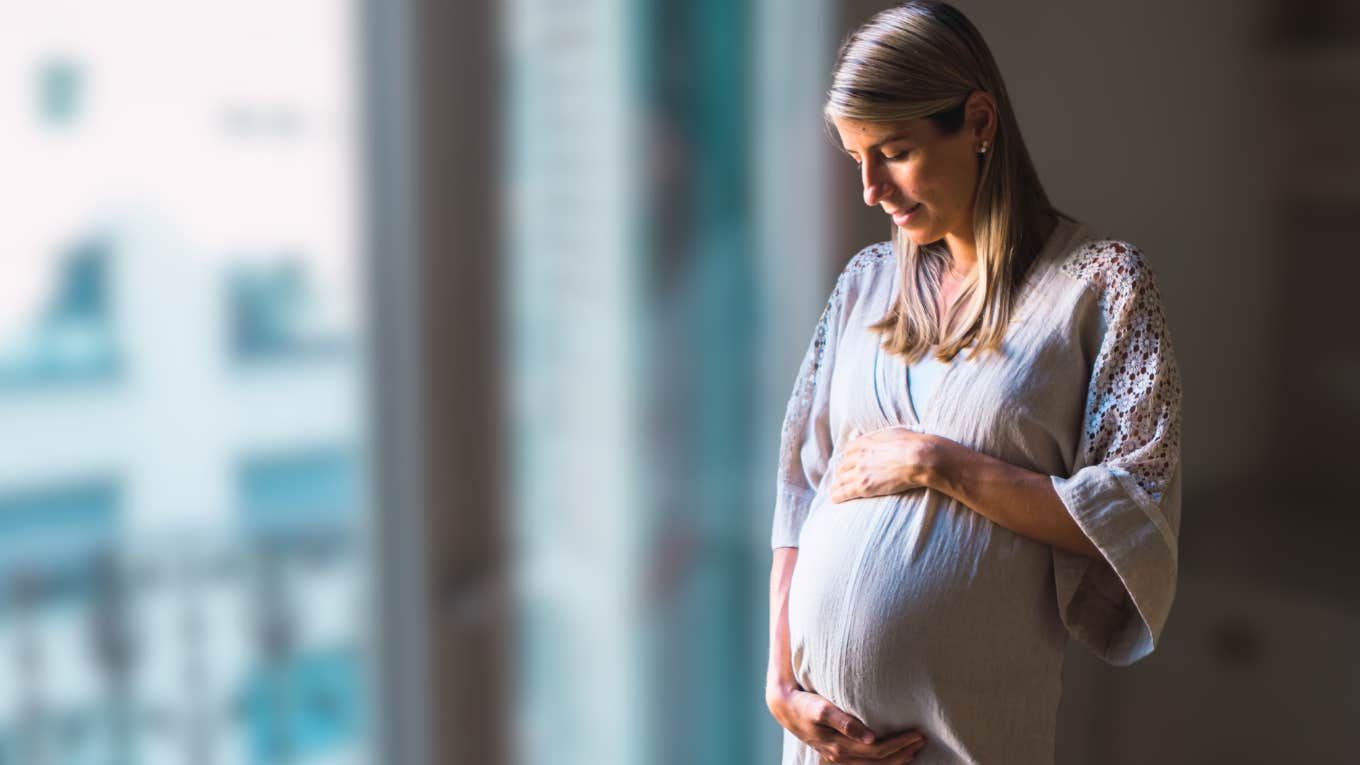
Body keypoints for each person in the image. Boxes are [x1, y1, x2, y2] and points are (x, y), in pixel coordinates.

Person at [763, 3, 1183, 764]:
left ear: (978, 120)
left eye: (892, 150)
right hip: (822, 747)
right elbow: (801, 487)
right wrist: (781, 681)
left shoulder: (1100, 285)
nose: (870, 189)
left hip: (972, 739)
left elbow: (1135, 507)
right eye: (856, 156)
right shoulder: (866, 283)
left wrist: (940, 464)